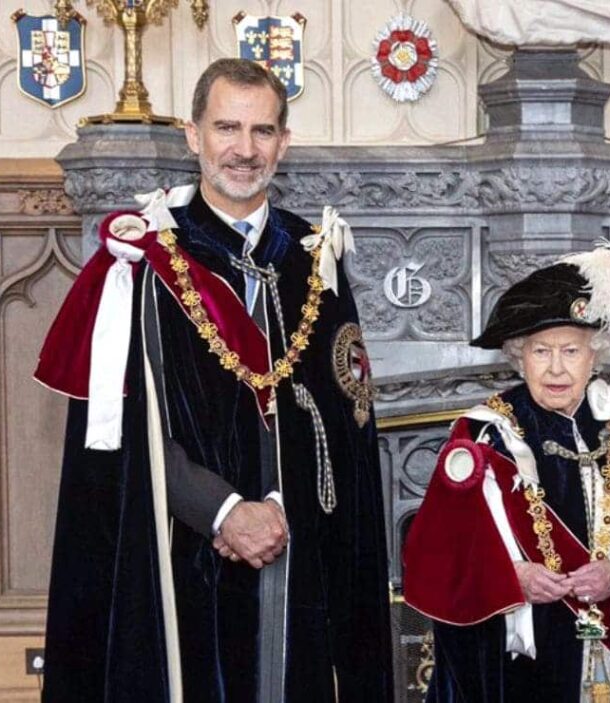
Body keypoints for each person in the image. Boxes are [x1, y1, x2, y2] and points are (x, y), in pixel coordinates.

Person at [34, 58, 393, 702]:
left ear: (284, 142)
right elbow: (118, 435)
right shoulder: (143, 262)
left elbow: (346, 420)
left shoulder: (313, 256)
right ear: (193, 134)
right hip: (180, 556)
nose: (244, 149)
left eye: (262, 131)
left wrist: (280, 508)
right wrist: (224, 512)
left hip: (297, 553)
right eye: (227, 127)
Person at [403, 244, 610, 702]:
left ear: (595, 356)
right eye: (540, 351)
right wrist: (510, 578)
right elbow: (434, 558)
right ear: (519, 356)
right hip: (520, 666)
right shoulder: (483, 437)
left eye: (571, 350)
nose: (555, 368)